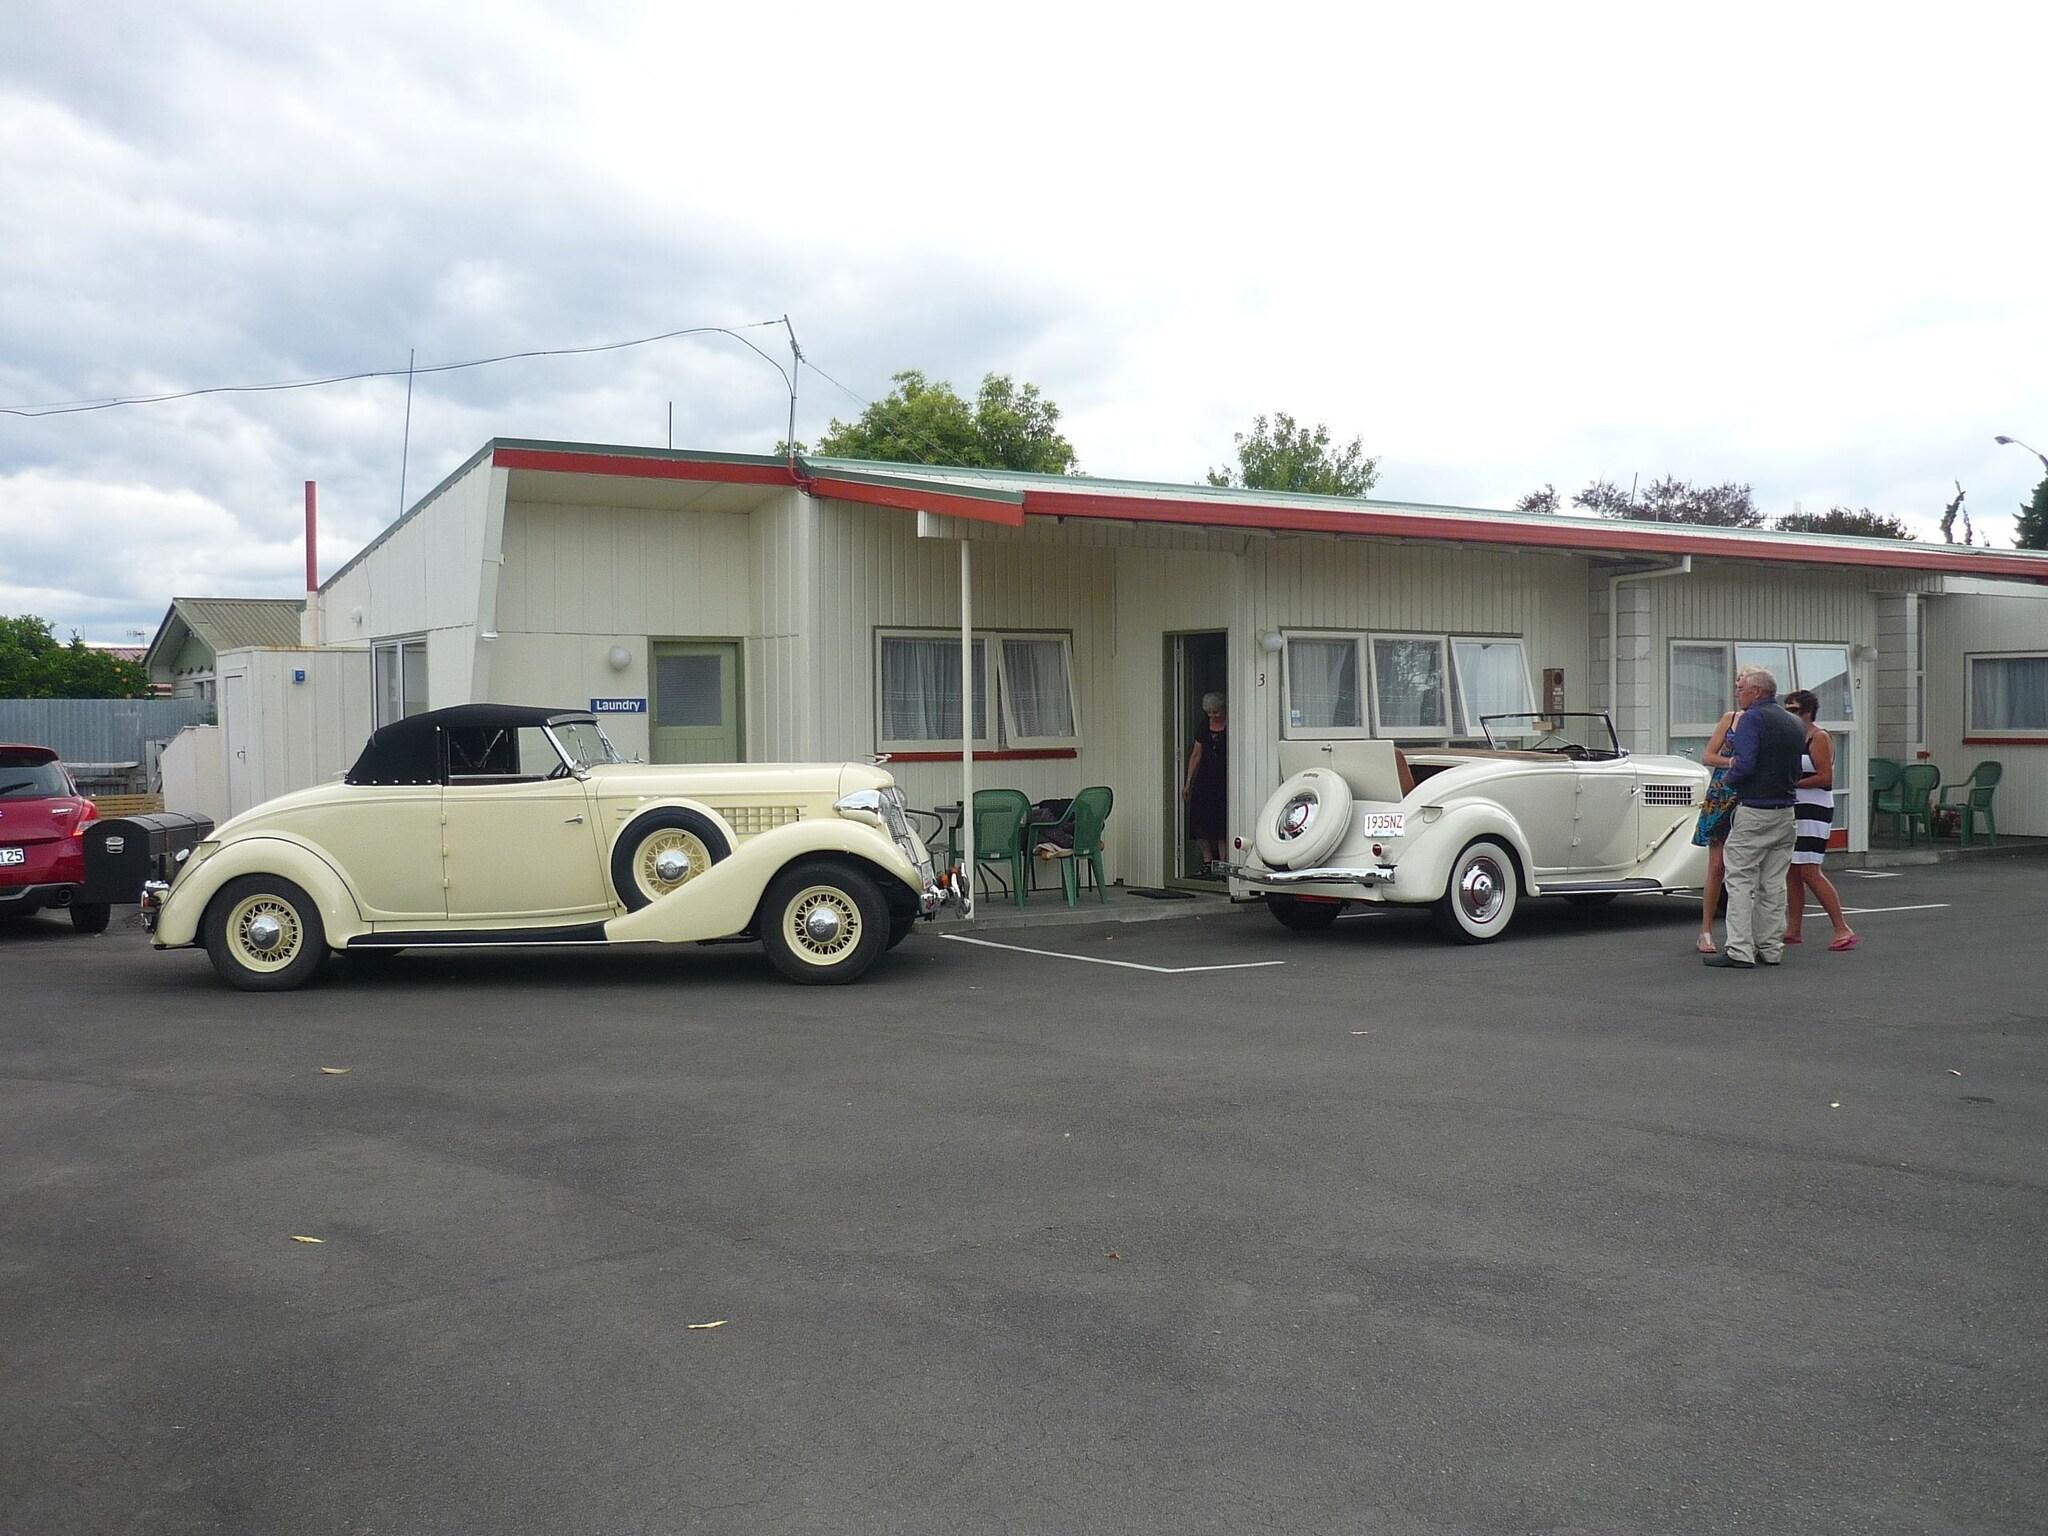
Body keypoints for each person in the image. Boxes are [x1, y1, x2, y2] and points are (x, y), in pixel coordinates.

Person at [1703, 665, 1806, 970]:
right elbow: (1797, 768)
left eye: (1742, 689)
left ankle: (1739, 949)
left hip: (1755, 808)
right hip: (1785, 810)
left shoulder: (1752, 719)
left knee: (1740, 879)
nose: (1738, 694)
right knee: (1773, 883)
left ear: (1757, 691)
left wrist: (1730, 780)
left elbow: (1744, 764)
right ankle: (1770, 947)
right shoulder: (1793, 723)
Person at [1782, 688, 1859, 951]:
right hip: (1795, 807)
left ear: (1807, 712)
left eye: (1793, 710)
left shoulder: (1819, 737)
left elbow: (1825, 777)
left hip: (1814, 808)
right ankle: (1793, 928)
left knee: (1809, 869)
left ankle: (1841, 927)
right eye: (1786, 710)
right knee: (1792, 870)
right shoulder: (1793, 737)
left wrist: (1791, 783)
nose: (1789, 715)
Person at [1691, 708, 1740, 954]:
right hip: (1722, 792)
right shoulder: (1730, 718)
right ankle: (1706, 930)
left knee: (1744, 866)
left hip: (1748, 792)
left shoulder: (1764, 721)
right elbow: (1708, 756)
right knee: (1717, 865)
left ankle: (1743, 931)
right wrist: (1730, 761)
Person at [1182, 691, 1228, 875]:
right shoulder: (1204, 726)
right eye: (1209, 713)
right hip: (1205, 779)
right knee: (1200, 820)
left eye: (1216, 712)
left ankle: (1223, 864)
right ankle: (1207, 861)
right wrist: (1188, 783)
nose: (1213, 716)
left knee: (1221, 823)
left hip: (1224, 779)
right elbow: (1196, 754)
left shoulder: (1231, 724)